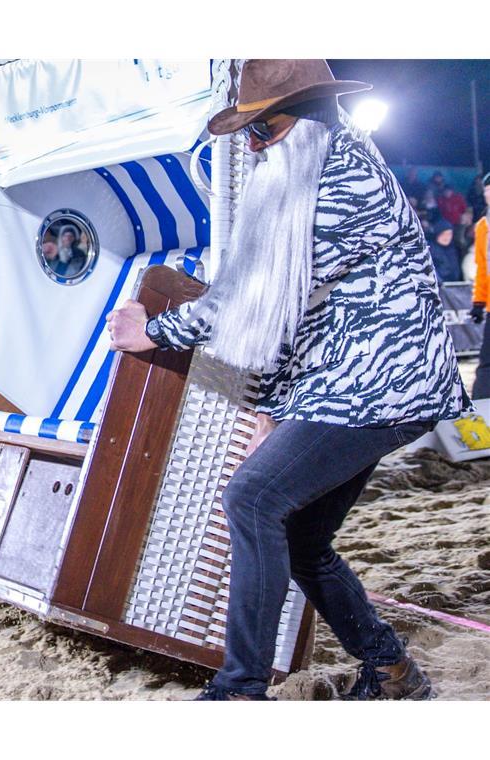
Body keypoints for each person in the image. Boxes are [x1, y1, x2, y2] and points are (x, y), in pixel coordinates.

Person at [104, 60, 467, 701]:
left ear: (309, 117)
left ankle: (242, 689)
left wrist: (153, 330)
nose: (251, 146)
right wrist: (279, 406)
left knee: (252, 499)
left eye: (262, 129)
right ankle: (392, 671)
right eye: (245, 132)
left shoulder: (339, 184)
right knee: (300, 535)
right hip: (353, 383)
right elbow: (297, 317)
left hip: (381, 386)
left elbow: (251, 298)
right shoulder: (317, 166)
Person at [469, 174, 490, 398]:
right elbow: (482, 266)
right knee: (486, 361)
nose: (487, 194)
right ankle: (482, 402)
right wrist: (479, 301)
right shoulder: (483, 226)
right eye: (486, 191)